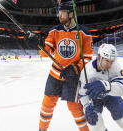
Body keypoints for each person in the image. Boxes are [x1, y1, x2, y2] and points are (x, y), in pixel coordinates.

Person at [38, 0, 93, 131]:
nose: (59, 15)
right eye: (59, 13)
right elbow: (46, 52)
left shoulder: (84, 33)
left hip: (72, 77)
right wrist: (39, 44)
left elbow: (87, 57)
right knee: (47, 105)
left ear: (71, 14)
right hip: (55, 75)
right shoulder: (54, 31)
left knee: (75, 108)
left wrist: (76, 67)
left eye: (62, 13)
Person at [79, 44, 123, 131]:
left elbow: (121, 89)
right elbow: (82, 93)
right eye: (106, 60)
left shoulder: (115, 67)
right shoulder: (86, 71)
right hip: (94, 98)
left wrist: (105, 86)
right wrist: (86, 106)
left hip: (111, 95)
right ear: (99, 57)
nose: (109, 64)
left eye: (111, 61)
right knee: (95, 123)